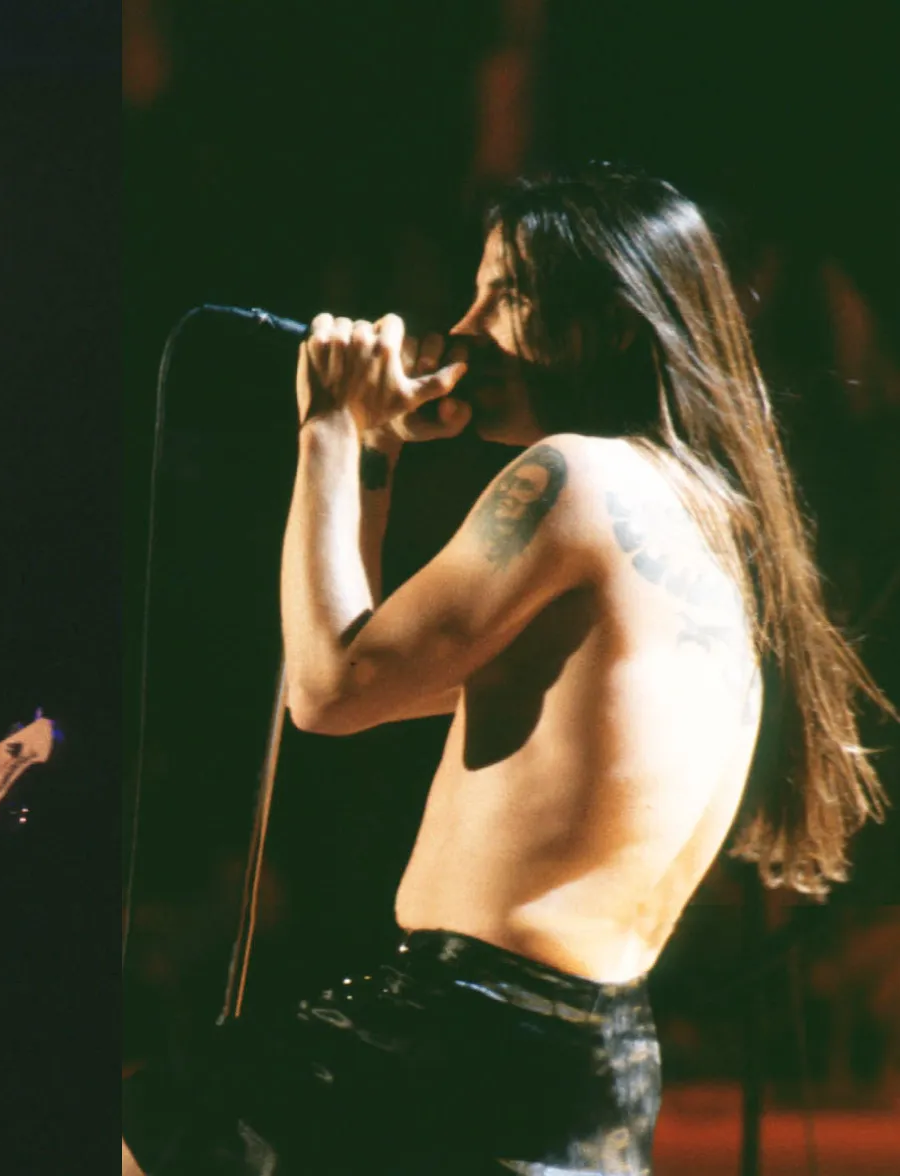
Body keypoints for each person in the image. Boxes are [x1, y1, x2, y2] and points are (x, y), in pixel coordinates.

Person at [126, 166, 893, 1173]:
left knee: (143, 1130)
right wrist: (377, 454)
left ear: (612, 323)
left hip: (460, 1041)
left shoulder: (575, 475)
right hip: (595, 1064)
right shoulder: (712, 525)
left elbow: (327, 690)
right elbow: (387, 679)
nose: (467, 323)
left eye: (507, 294)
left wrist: (327, 429)